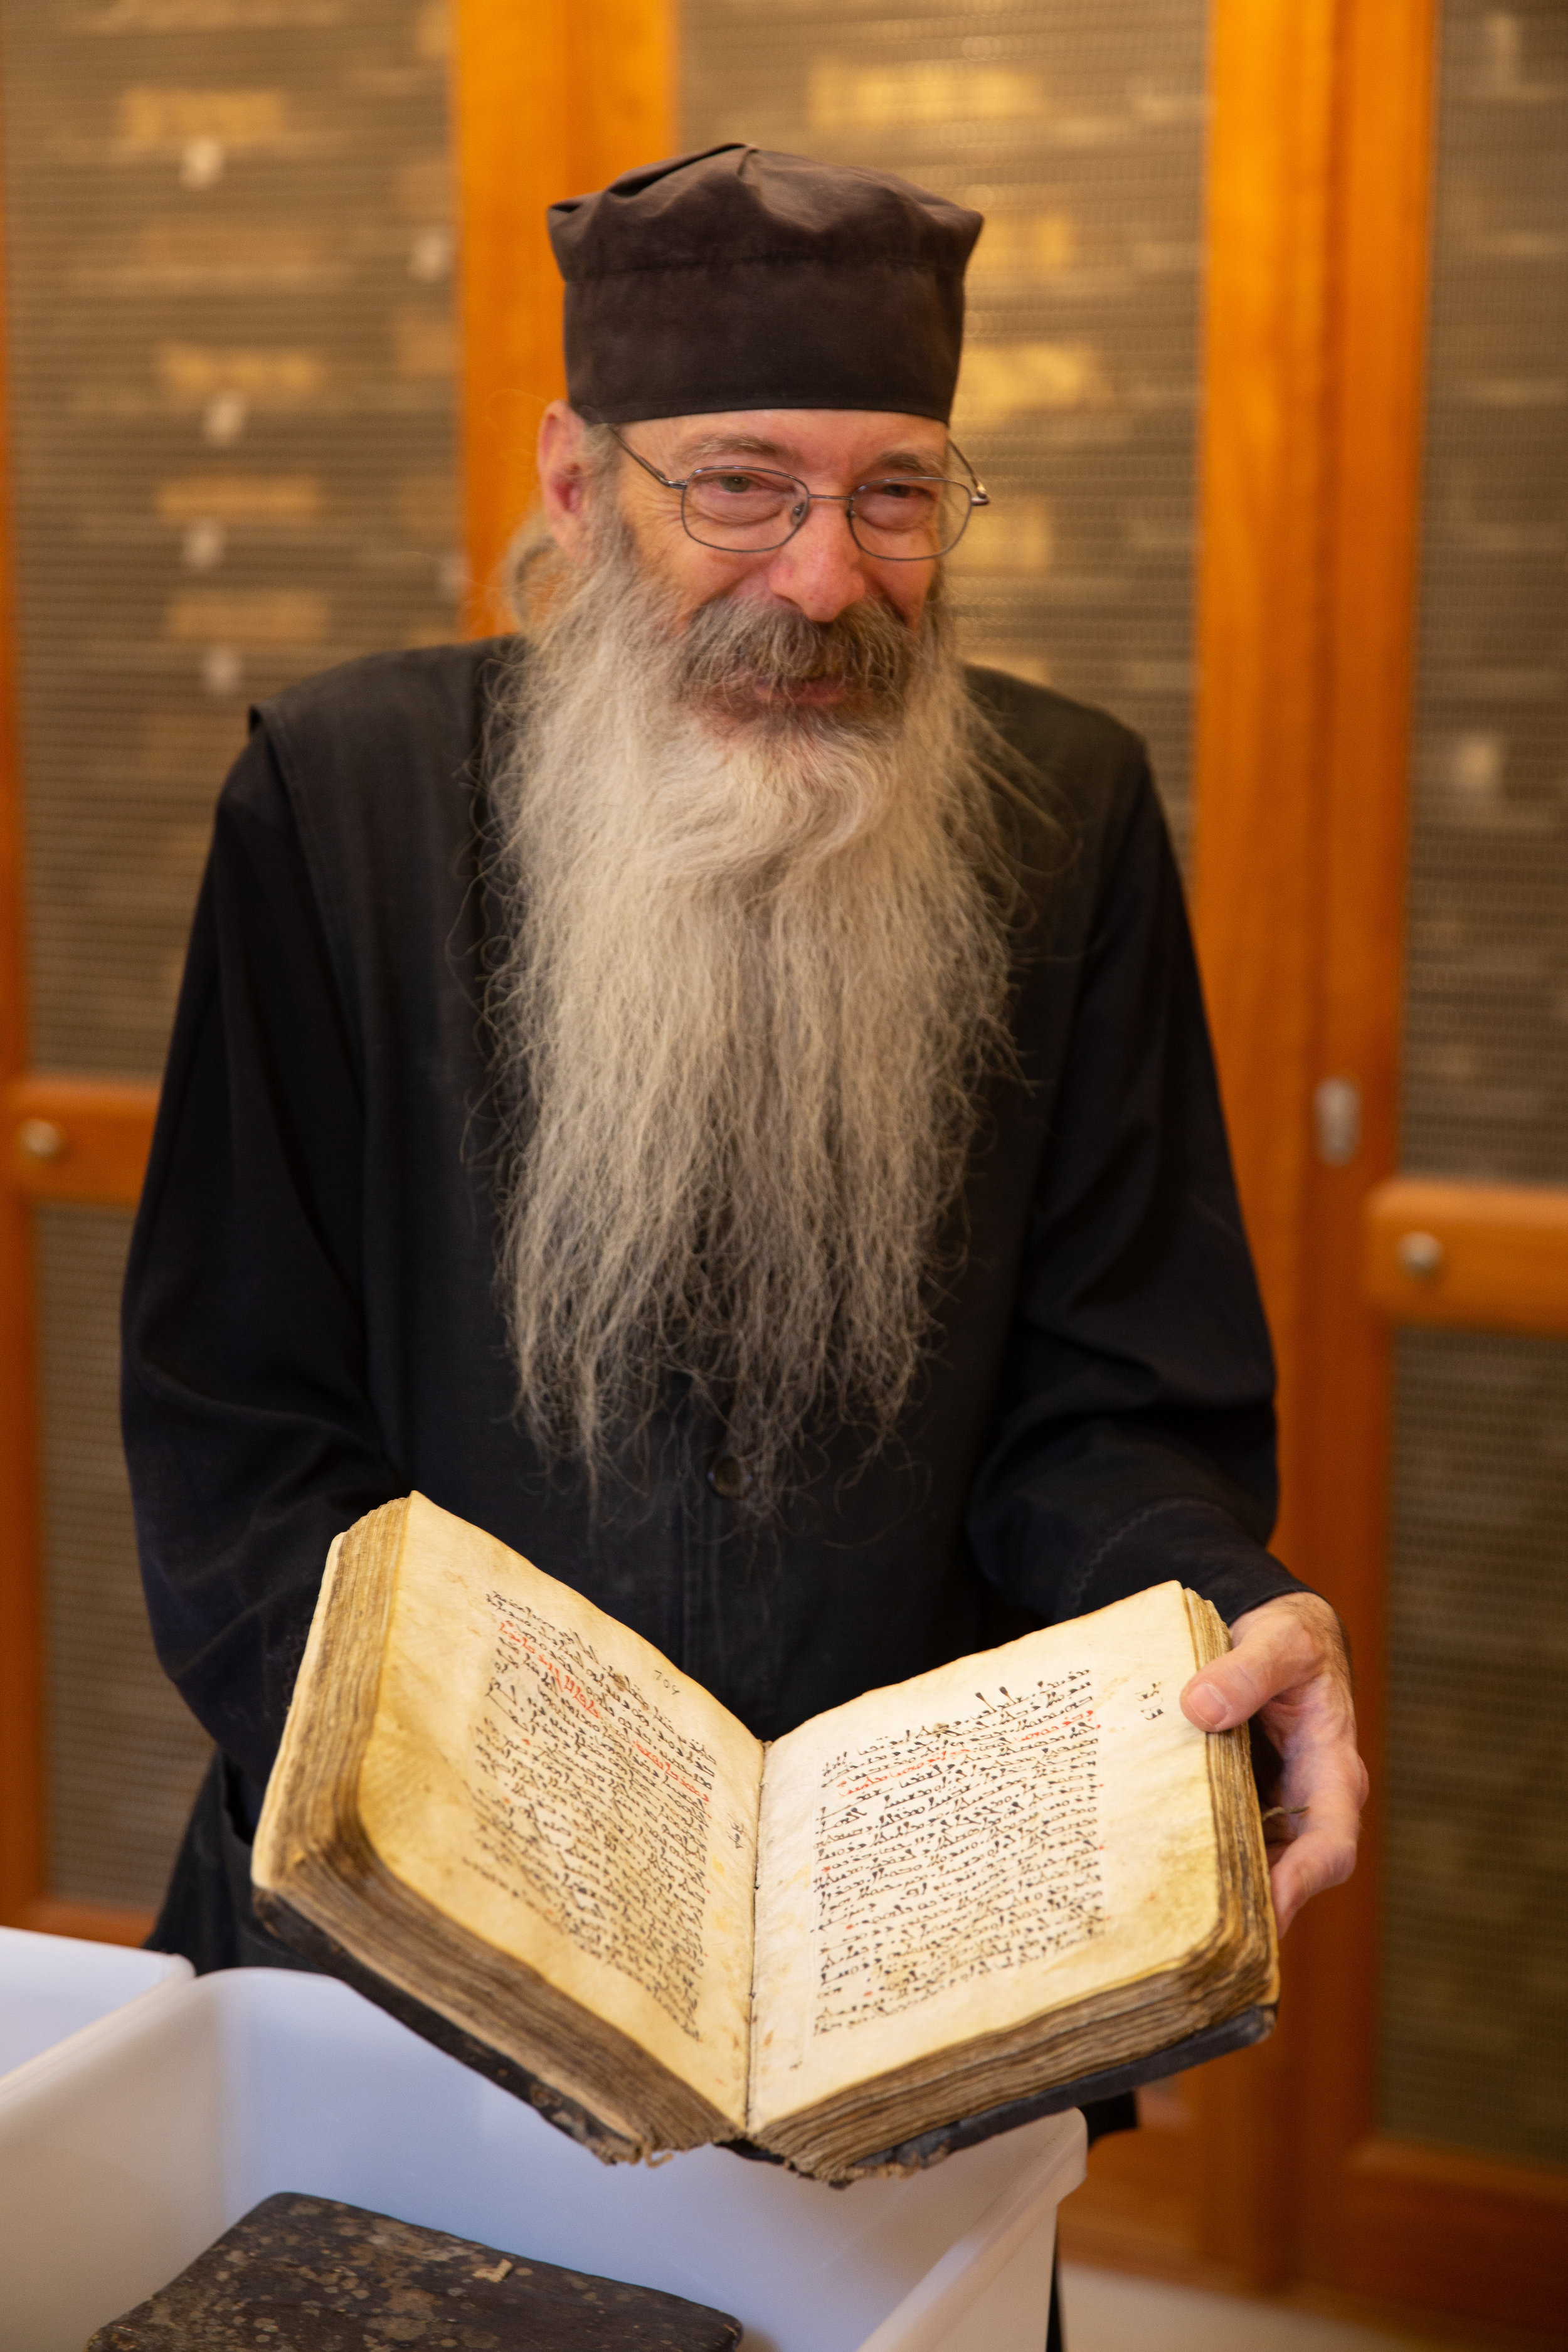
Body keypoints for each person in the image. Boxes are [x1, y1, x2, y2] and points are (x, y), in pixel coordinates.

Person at [123, 143, 1367, 2340]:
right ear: (578, 484)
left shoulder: (1060, 816)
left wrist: (1235, 1618)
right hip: (406, 1978)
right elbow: (240, 1433)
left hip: (904, 2002)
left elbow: (1113, 1413)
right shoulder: (344, 800)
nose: (820, 582)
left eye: (897, 496)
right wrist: (499, 1898)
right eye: (740, 487)